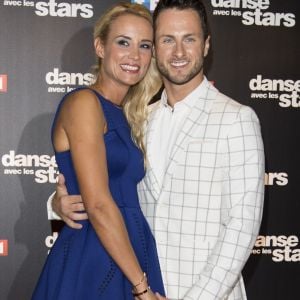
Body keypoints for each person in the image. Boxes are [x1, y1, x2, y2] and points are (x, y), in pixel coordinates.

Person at [49, 0, 265, 299]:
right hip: (138, 283)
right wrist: (59, 202)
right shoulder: (140, 119)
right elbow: (113, 187)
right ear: (157, 50)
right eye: (167, 40)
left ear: (206, 46)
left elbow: (242, 227)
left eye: (189, 39)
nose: (178, 52)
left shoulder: (236, 118)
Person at [32, 3, 166, 300]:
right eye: (123, 42)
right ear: (100, 47)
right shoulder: (84, 103)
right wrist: (142, 289)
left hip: (129, 250)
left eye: (144, 46)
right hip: (95, 254)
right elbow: (99, 204)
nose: (135, 56)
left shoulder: (131, 114)